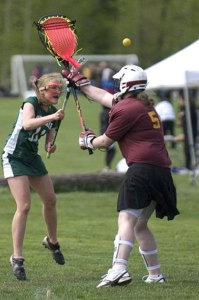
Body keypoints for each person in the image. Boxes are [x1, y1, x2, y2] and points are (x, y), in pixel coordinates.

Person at [62, 65, 179, 288]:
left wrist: (88, 141)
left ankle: (119, 269)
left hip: (142, 170)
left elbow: (105, 142)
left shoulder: (127, 109)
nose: (115, 85)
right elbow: (104, 97)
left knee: (126, 218)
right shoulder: (142, 104)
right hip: (161, 170)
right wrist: (81, 83)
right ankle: (155, 274)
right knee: (140, 224)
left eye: (119, 81)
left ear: (126, 84)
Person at [1, 73, 66, 281]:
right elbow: (28, 124)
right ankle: (17, 258)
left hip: (32, 157)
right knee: (25, 205)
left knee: (50, 200)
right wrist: (52, 118)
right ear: (42, 90)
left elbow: (49, 140)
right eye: (53, 87)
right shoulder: (30, 102)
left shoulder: (55, 113)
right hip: (14, 156)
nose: (58, 91)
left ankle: (52, 242)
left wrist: (50, 145)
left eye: (60, 88)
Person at [100, 106, 116, 171]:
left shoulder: (104, 113)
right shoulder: (108, 114)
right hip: (108, 134)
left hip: (107, 133)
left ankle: (107, 167)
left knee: (111, 149)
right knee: (111, 149)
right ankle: (107, 167)